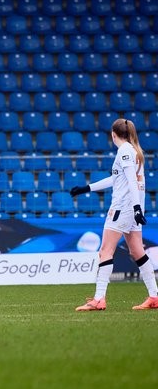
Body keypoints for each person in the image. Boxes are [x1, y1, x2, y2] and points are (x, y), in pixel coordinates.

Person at [71, 118, 154, 311]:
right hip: (132, 208)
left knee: (105, 251)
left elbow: (132, 182)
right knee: (137, 251)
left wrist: (135, 208)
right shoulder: (134, 152)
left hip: (123, 208)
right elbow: (117, 179)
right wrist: (87, 188)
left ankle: (99, 299)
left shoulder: (124, 151)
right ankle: (154, 296)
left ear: (113, 134)